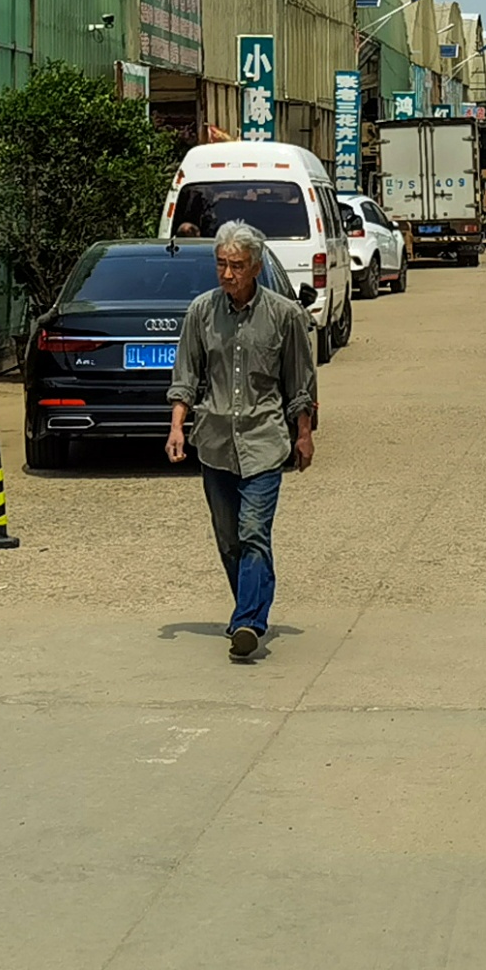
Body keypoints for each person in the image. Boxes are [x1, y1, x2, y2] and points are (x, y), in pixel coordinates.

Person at [167, 220, 320, 661]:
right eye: (221, 265)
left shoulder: (284, 316)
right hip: (214, 443)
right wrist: (178, 427)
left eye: (236, 266)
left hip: (264, 441)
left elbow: (300, 384)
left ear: (255, 267)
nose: (227, 274)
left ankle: (248, 621)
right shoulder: (201, 311)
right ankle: (248, 608)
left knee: (254, 532)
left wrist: (304, 436)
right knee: (229, 539)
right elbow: (186, 378)